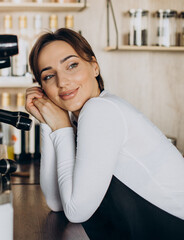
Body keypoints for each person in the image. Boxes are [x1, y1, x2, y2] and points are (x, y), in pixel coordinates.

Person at [25, 28, 184, 239]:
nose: (62, 82)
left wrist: (61, 129)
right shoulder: (80, 118)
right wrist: (47, 119)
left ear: (94, 67)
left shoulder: (100, 110)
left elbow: (75, 211)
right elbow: (57, 203)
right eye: (48, 76)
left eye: (72, 65)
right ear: (42, 88)